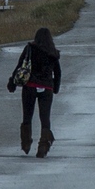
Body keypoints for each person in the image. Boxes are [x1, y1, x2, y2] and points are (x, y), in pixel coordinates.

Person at [8, 26, 63, 157]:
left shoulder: (30, 49)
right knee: (45, 118)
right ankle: (43, 145)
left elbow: (20, 66)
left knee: (27, 115)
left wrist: (12, 82)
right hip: (47, 88)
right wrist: (55, 88)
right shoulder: (52, 53)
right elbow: (58, 73)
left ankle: (26, 143)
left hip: (30, 86)